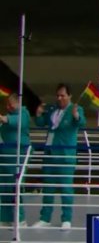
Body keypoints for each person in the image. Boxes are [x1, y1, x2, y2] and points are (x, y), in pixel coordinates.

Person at [32, 84, 85, 230]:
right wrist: (38, 114)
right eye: (58, 95)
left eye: (62, 95)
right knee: (48, 188)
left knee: (66, 189)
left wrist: (76, 116)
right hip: (49, 154)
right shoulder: (52, 109)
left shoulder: (76, 109)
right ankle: (45, 218)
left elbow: (82, 123)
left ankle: (66, 219)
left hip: (65, 156)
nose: (59, 98)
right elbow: (41, 123)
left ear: (69, 96)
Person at [0, 93, 31, 227]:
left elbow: (18, 122)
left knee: (15, 188)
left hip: (18, 157)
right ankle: (6, 218)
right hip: (5, 158)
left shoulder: (24, 114)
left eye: (10, 104)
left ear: (18, 103)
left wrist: (4, 118)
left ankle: (20, 218)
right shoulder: (11, 115)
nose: (7, 107)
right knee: (4, 188)